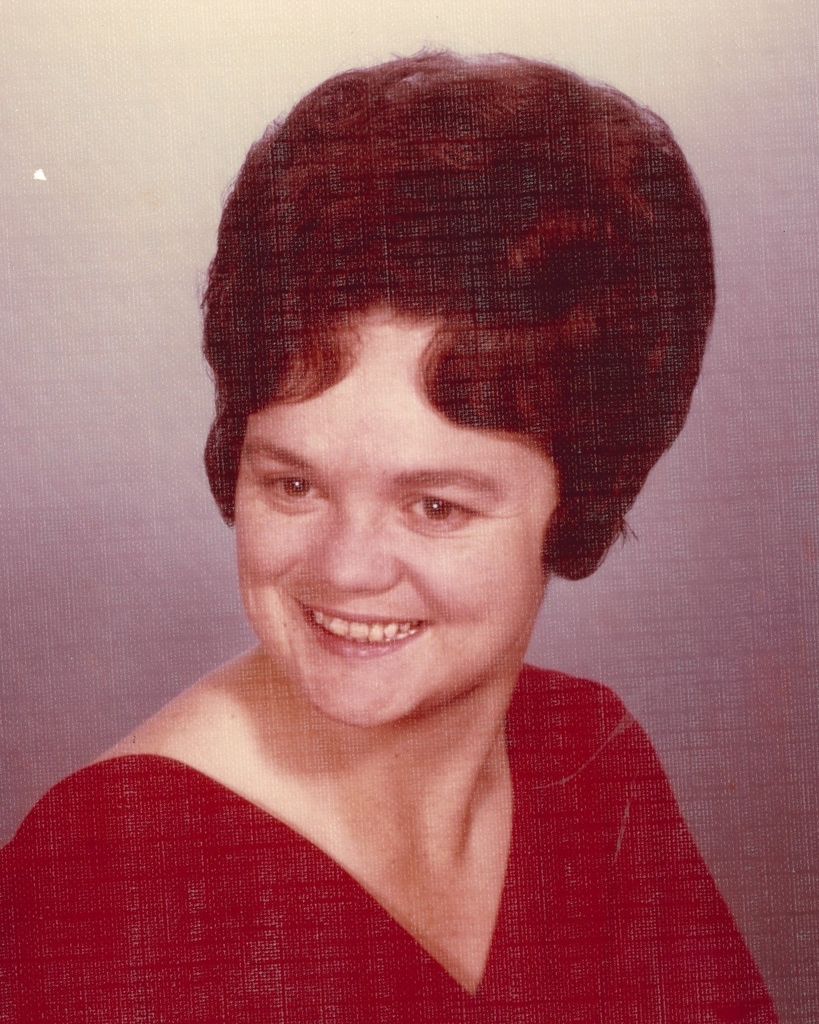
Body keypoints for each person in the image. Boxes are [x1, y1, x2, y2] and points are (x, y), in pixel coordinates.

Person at [0, 51, 778, 1022]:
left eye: (435, 506)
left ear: (579, 495)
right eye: (294, 484)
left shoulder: (586, 758)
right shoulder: (111, 871)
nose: (346, 567)